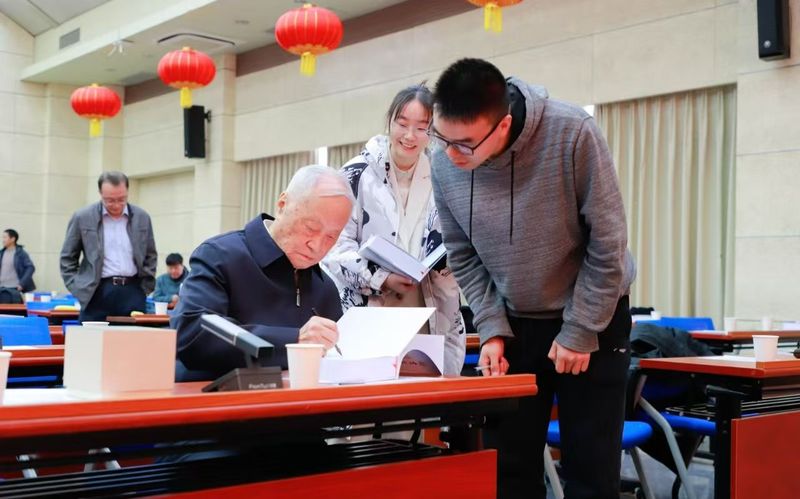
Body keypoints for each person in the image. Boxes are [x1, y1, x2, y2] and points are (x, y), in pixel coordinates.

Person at [429, 58, 636, 499]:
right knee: (508, 471)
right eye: (441, 138)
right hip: (514, 322)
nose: (450, 155)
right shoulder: (444, 163)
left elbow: (608, 243)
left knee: (591, 474)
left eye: (464, 144)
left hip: (592, 318)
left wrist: (580, 329)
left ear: (503, 125)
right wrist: (492, 329)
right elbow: (462, 253)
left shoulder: (572, 132)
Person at [323, 84, 466, 375]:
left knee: (424, 390)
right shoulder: (356, 174)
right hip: (370, 304)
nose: (410, 135)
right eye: (402, 124)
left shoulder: (446, 177)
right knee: (372, 388)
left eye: (421, 127)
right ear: (389, 121)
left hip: (428, 305)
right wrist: (382, 276)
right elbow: (334, 247)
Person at [172, 165, 354, 376]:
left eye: (331, 237)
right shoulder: (220, 256)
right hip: (219, 393)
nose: (317, 246)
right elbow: (193, 333)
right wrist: (293, 341)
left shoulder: (324, 287)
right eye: (310, 228)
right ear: (282, 204)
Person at [60, 171, 158, 321]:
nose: (116, 205)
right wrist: (78, 288)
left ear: (127, 192)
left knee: (132, 336)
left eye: (121, 199)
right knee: (92, 336)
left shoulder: (142, 217)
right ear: (100, 193)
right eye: (110, 200)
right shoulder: (82, 217)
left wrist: (145, 288)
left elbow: (151, 255)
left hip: (133, 290)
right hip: (95, 291)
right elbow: (67, 258)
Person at [0, 229, 36, 304]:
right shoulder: (1, 253)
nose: (3, 240)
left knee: (14, 310)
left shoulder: (21, 253)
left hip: (15, 289)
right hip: (1, 288)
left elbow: (30, 268)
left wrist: (22, 283)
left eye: (5, 237)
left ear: (13, 239)